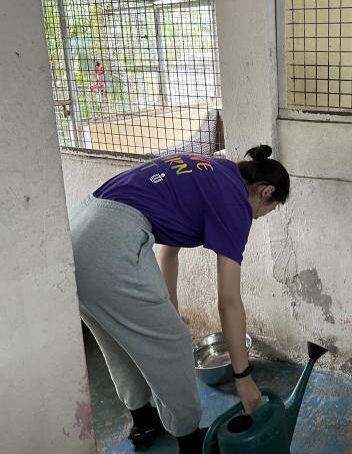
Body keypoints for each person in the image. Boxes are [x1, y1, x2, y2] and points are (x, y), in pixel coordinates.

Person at [69, 146, 289, 454]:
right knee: (174, 344)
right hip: (111, 239)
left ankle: (143, 419)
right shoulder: (236, 204)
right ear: (267, 192)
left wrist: (170, 306)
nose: (267, 214)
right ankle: (190, 441)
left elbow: (168, 247)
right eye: (273, 207)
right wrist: (242, 376)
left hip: (78, 229)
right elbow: (228, 301)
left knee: (117, 337)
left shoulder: (217, 171)